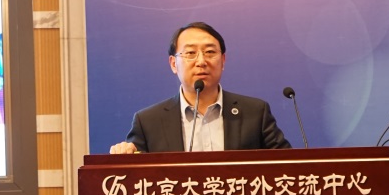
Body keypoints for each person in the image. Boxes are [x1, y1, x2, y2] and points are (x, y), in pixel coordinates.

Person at [109, 21, 290, 154]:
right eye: (190, 53)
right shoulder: (148, 122)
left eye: (210, 52)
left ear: (223, 60)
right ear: (173, 64)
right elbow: (135, 178)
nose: (201, 61)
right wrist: (123, 156)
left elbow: (287, 166)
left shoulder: (255, 112)